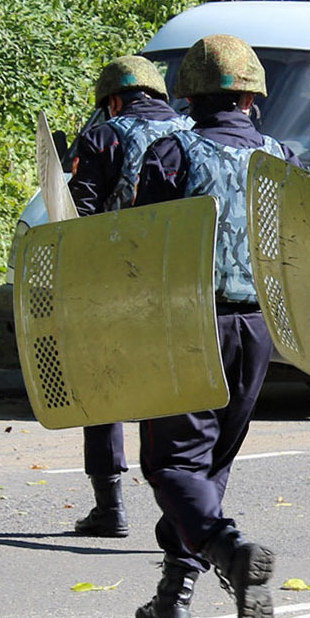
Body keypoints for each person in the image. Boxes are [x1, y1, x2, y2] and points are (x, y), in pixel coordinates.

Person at [124, 35, 294, 618]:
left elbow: (141, 244)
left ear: (190, 95)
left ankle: (230, 548)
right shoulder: (282, 156)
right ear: (252, 96)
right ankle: (175, 595)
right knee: (212, 461)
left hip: (189, 323)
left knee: (171, 462)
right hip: (257, 329)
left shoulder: (173, 151)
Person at [64, 56, 192, 538]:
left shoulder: (105, 134)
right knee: (170, 394)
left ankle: (109, 507)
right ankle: (177, 507)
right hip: (177, 282)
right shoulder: (189, 132)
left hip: (113, 278)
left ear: (113, 100)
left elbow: (82, 209)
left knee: (102, 391)